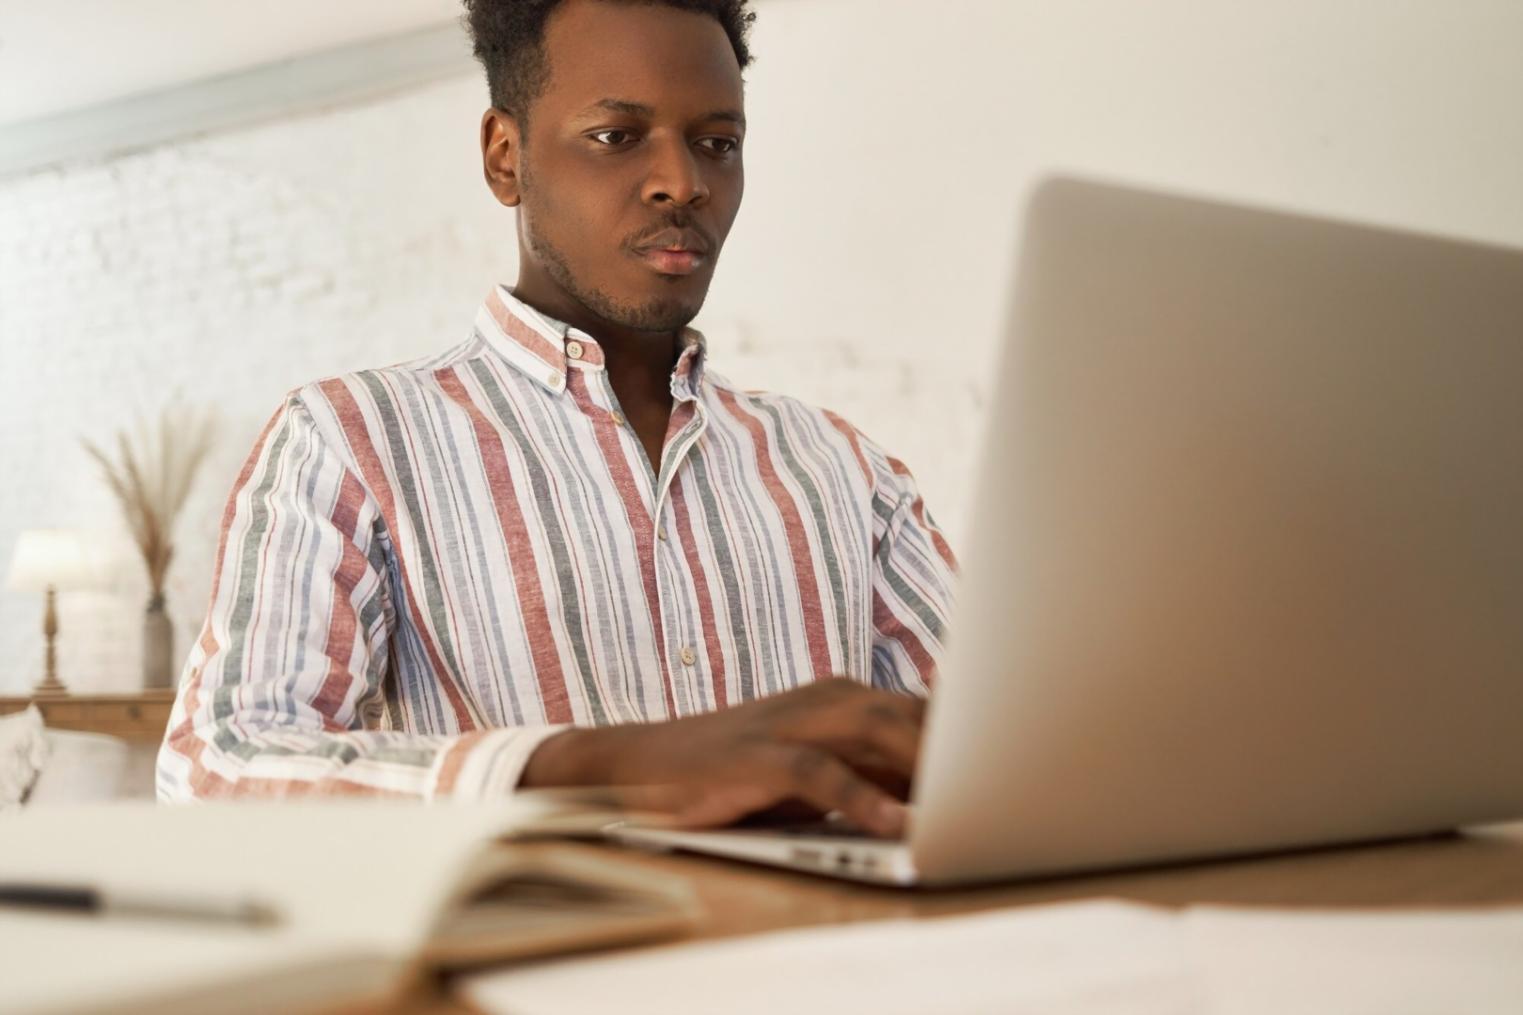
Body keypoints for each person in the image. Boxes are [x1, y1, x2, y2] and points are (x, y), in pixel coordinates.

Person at [157, 0, 957, 838]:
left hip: (833, 953)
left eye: (716, 143)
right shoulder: (350, 440)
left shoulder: (844, 468)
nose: (682, 182)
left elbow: (1009, 747)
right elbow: (218, 768)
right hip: (545, 958)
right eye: (617, 136)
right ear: (506, 158)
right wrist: (604, 768)